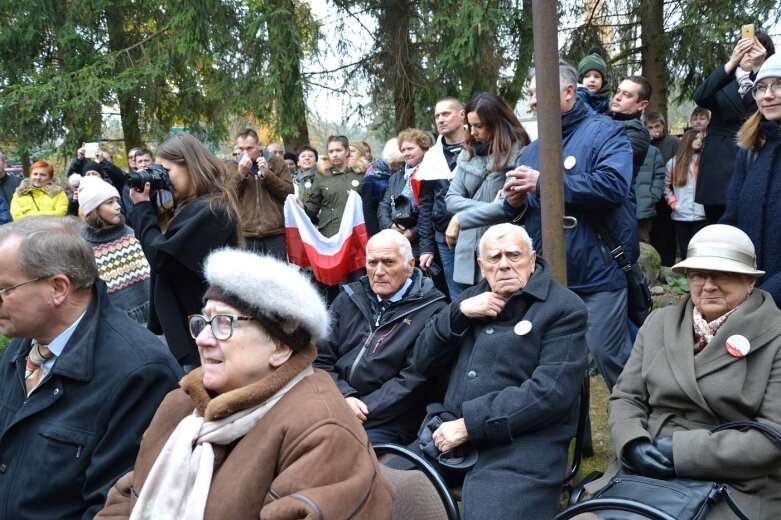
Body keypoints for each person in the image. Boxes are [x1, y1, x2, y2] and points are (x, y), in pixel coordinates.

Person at [97, 248, 394, 519]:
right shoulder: (180, 405)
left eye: (224, 323)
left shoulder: (322, 432)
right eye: (204, 321)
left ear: (280, 347)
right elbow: (125, 499)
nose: (202, 338)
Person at [584, 224, 781, 520]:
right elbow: (626, 397)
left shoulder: (775, 335)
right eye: (698, 274)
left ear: (750, 281)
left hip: (734, 479)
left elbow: (773, 437)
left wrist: (680, 452)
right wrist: (632, 442)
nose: (709, 285)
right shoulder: (659, 323)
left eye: (722, 273)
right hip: (646, 466)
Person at [0, 217, 181, 518]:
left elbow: (114, 506)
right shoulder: (25, 343)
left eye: (4, 289)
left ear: (58, 288)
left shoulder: (140, 373)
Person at [408, 223, 587, 519]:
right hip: (448, 435)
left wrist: (470, 425)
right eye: (494, 258)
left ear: (532, 259)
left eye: (514, 255)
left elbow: (550, 393)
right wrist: (458, 313)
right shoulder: (471, 298)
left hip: (523, 446)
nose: (504, 264)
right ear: (481, 265)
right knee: (383, 487)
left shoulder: (564, 308)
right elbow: (421, 361)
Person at [504, 60, 635, 391]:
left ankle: (639, 435)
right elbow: (524, 217)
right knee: (561, 367)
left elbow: (613, 186)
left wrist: (544, 182)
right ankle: (580, 443)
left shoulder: (607, 131)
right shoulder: (531, 151)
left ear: (567, 91)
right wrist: (514, 205)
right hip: (549, 276)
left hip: (599, 271)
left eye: (538, 93)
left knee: (609, 356)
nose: (532, 101)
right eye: (530, 94)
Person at [315, 230, 447, 444]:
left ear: (410, 265)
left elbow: (414, 380)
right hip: (336, 399)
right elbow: (320, 359)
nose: (378, 271)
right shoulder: (348, 298)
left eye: (388, 262)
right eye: (372, 262)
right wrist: (345, 396)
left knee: (340, 445)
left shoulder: (433, 310)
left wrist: (361, 409)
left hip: (389, 416)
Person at [128, 133, 241, 369]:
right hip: (191, 327)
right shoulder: (190, 207)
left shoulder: (212, 209)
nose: (164, 180)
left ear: (190, 166)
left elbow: (162, 258)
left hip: (202, 330)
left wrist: (141, 210)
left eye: (166, 172)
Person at [445, 91, 530, 287]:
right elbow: (451, 199)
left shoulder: (521, 154)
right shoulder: (467, 154)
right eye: (470, 125)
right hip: (467, 256)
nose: (473, 132)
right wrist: (492, 206)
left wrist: (461, 217)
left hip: (504, 254)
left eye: (479, 126)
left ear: (496, 123)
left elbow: (512, 206)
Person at [694, 30, 774, 224]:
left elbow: (761, 112)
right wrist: (731, 63)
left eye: (754, 48)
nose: (749, 53)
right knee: (718, 230)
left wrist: (758, 70)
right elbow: (701, 97)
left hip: (753, 159)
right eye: (744, 48)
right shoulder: (723, 80)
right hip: (717, 171)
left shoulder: (769, 86)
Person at [722, 51, 781, 308]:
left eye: (779, 85)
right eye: (761, 87)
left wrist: (766, 296)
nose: (767, 95)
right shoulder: (750, 151)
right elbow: (731, 221)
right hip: (749, 300)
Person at [77, 175, 151, 323]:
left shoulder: (129, 233)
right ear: (93, 210)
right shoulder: (82, 245)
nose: (117, 206)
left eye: (117, 201)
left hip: (151, 313)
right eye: (109, 203)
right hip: (114, 322)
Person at [418, 96, 469, 300]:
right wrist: (426, 248)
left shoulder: (478, 147)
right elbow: (426, 204)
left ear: (461, 115)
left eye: (446, 114)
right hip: (444, 240)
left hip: (478, 233)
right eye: (437, 115)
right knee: (457, 297)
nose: (440, 119)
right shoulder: (432, 156)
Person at [226, 129, 293, 260]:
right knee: (249, 279)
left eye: (249, 148)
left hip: (274, 233)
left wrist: (268, 175)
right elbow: (227, 196)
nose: (245, 153)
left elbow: (289, 192)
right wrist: (240, 174)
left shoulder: (277, 162)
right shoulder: (232, 165)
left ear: (260, 144)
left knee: (277, 278)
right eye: (241, 148)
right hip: (245, 234)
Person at [377, 128, 433, 257]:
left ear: (424, 148)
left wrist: (412, 232)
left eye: (410, 149)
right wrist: (390, 226)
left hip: (424, 243)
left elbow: (431, 212)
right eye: (403, 150)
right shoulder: (396, 177)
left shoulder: (431, 174)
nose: (406, 153)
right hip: (397, 243)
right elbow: (384, 206)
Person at [303, 135, 366, 238]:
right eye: (331, 151)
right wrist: (302, 207)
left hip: (355, 232)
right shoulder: (322, 174)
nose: (335, 154)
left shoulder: (360, 174)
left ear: (347, 151)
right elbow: (314, 204)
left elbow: (370, 204)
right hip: (329, 233)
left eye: (338, 150)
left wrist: (357, 199)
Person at [665, 130, 707, 259]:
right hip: (681, 214)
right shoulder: (673, 163)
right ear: (688, 140)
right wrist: (674, 204)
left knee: (700, 251)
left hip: (701, 214)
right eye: (696, 138)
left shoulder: (705, 161)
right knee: (685, 250)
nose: (699, 141)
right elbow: (666, 186)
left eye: (701, 139)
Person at [609, 76, 652, 178]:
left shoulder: (639, 134)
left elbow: (610, 157)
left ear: (642, 105)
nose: (617, 97)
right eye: (618, 91)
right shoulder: (603, 116)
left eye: (626, 95)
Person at [363, 139, 403, 237]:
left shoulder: (405, 173)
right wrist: (376, 236)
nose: (400, 166)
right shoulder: (372, 177)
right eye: (397, 163)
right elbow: (369, 211)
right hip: (380, 228)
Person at [635, 144, 665, 243]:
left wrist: (652, 197)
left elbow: (660, 175)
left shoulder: (652, 151)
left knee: (643, 243)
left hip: (644, 207)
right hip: (621, 207)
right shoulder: (617, 146)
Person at [577, 47, 611, 114]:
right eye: (587, 76)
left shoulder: (610, 105)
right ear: (581, 80)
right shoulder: (573, 101)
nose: (592, 80)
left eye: (597, 76)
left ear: (603, 80)